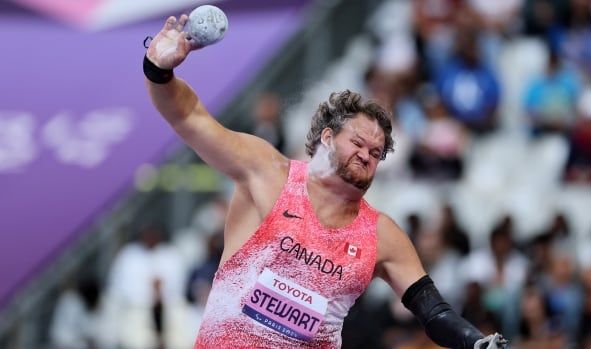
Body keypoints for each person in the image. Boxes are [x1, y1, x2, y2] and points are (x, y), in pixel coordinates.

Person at [143, 14, 508, 349]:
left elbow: (434, 312)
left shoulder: (381, 236)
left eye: (377, 153)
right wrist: (159, 70)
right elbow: (190, 116)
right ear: (328, 138)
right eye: (359, 143)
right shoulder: (268, 173)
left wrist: (474, 342)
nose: (367, 155)